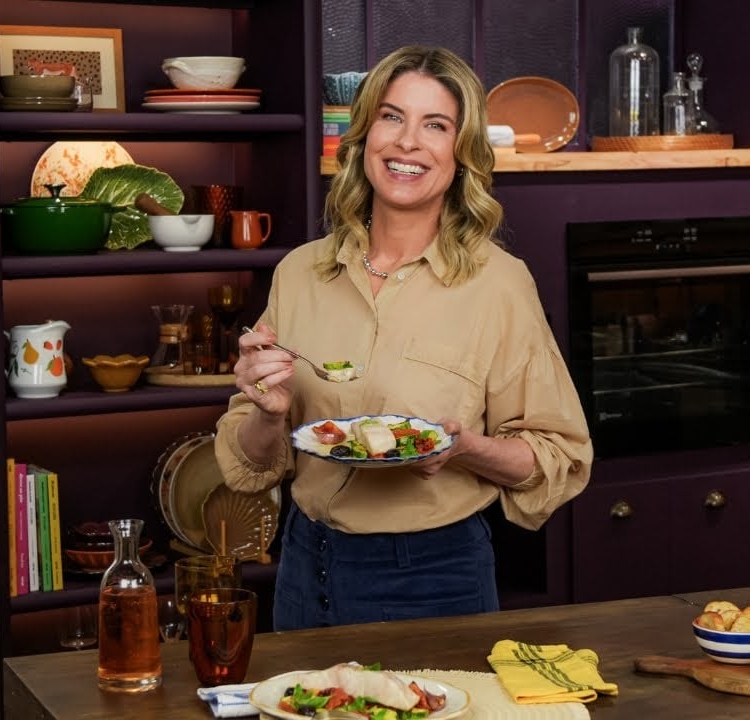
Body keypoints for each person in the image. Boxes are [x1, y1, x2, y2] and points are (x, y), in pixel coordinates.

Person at [214, 45, 592, 630]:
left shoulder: (499, 284)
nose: (408, 142)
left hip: (431, 576)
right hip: (303, 564)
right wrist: (267, 413)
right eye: (391, 117)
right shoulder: (300, 273)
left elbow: (558, 456)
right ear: (364, 137)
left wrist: (466, 449)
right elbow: (252, 464)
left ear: (461, 154)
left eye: (435, 125)